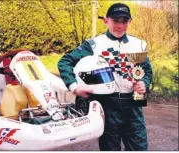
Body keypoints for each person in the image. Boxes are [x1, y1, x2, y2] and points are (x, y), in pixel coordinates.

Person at [57, 3, 152, 151]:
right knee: (109, 148)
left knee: (139, 148)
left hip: (134, 103)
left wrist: (144, 84)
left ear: (130, 21)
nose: (120, 25)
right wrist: (74, 87)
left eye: (124, 21)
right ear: (106, 20)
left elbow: (145, 70)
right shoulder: (94, 45)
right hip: (108, 104)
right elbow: (65, 62)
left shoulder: (137, 44)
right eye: (115, 20)